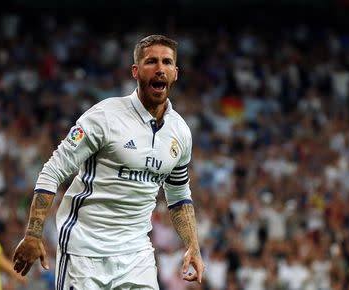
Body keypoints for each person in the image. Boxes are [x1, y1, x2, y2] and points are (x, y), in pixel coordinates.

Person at [12, 34, 205, 289]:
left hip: (137, 255)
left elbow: (179, 196)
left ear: (176, 73)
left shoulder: (180, 132)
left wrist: (193, 246)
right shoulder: (104, 117)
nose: (160, 69)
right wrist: (33, 233)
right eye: (151, 62)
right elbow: (52, 171)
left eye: (167, 62)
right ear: (135, 71)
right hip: (84, 252)